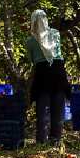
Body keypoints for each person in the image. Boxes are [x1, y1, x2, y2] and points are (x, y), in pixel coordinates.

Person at [25, 10, 71, 145]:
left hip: (42, 74)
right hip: (58, 72)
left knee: (42, 109)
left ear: (33, 22)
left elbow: (32, 60)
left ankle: (42, 141)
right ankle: (56, 140)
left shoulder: (30, 41)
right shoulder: (55, 34)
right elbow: (57, 52)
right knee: (58, 107)